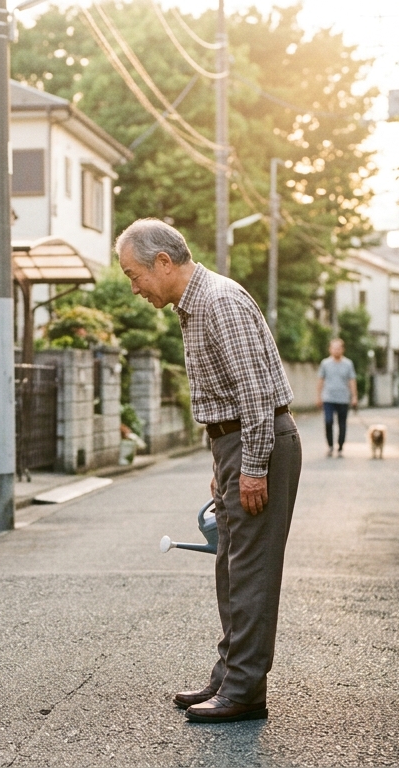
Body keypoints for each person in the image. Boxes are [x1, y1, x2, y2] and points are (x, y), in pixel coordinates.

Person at [116, 219, 302, 725]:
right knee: (230, 565)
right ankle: (229, 677)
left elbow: (256, 394)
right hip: (234, 442)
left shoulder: (219, 301)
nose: (135, 289)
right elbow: (225, 396)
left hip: (256, 440)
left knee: (252, 571)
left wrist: (254, 467)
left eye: (135, 276)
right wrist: (222, 463)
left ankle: (244, 690)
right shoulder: (193, 306)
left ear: (163, 262)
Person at [316, 339, 358, 458]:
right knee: (328, 421)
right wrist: (318, 396)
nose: (336, 350)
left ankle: (340, 447)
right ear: (330, 349)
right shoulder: (325, 363)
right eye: (334, 348)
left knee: (342, 424)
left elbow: (352, 380)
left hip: (343, 398)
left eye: (339, 348)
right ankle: (330, 446)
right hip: (328, 397)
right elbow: (320, 380)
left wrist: (354, 397)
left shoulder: (348, 364)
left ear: (342, 349)